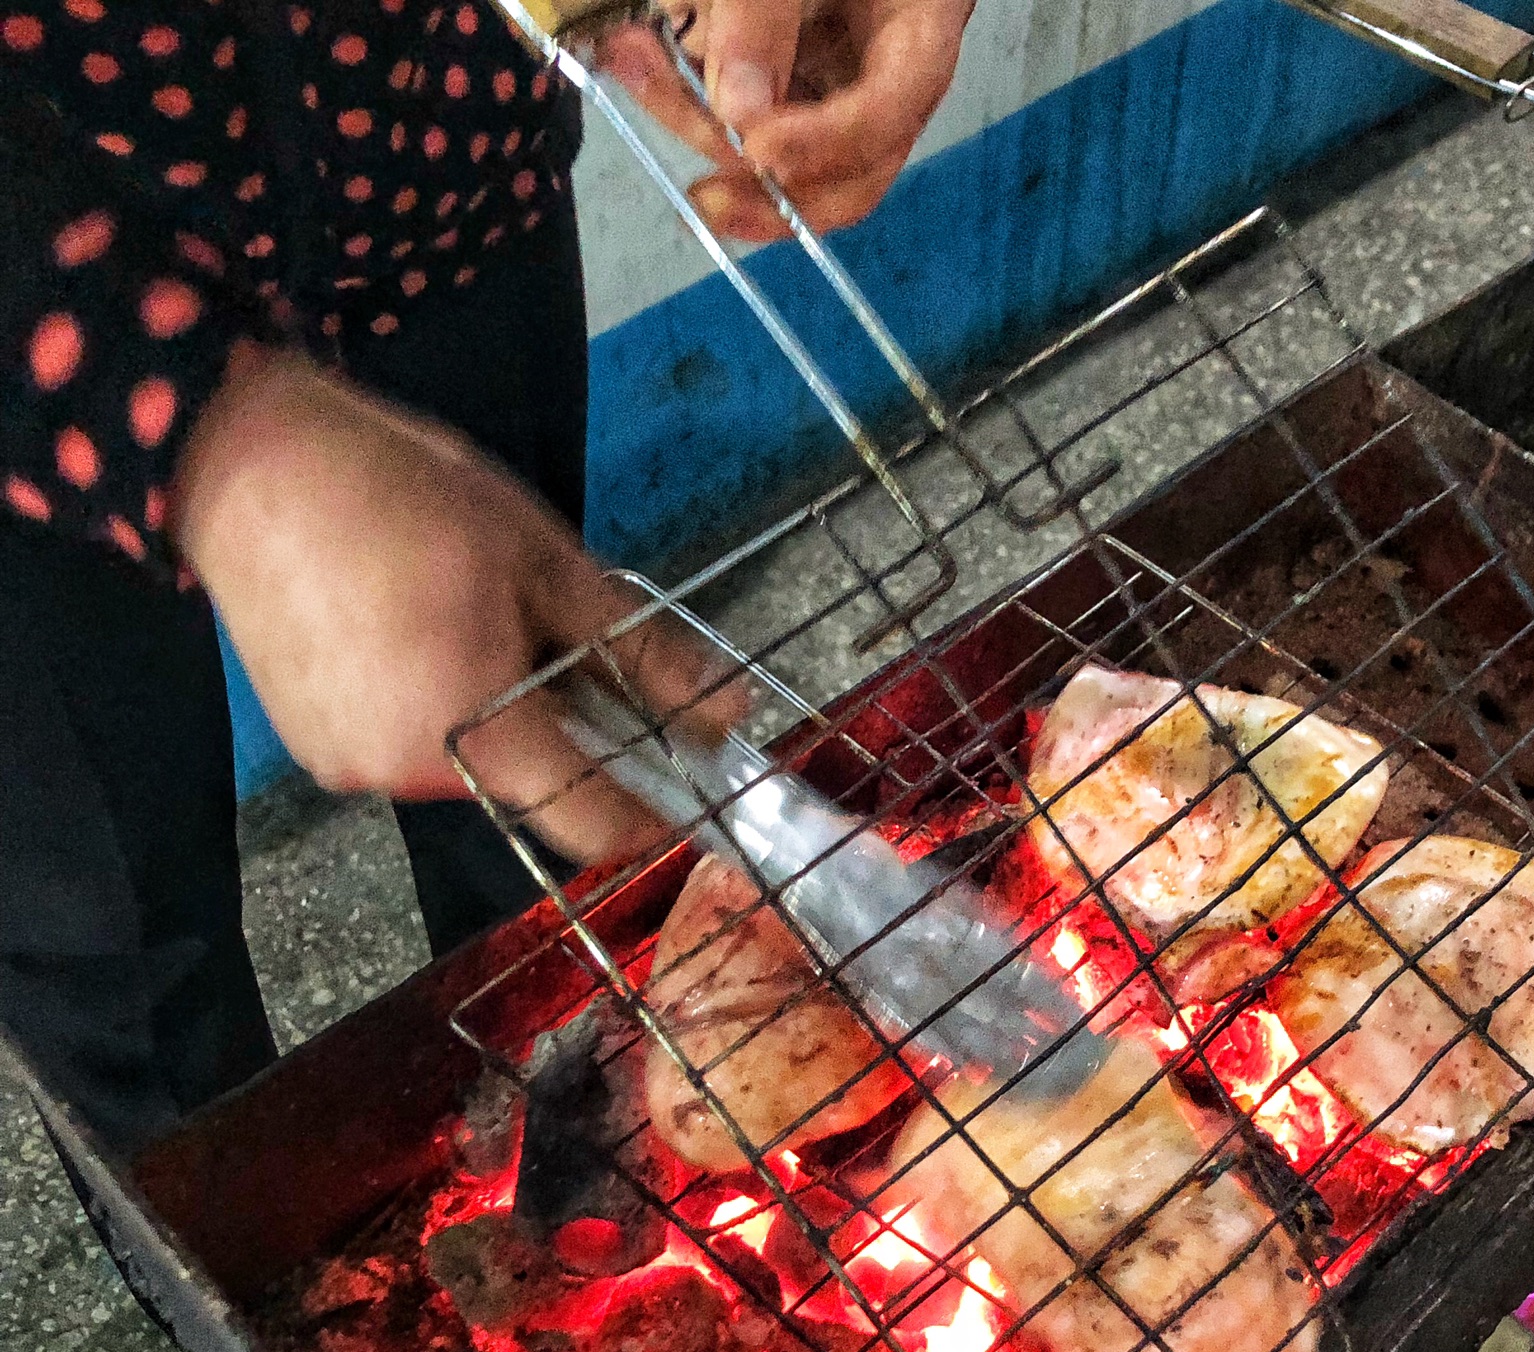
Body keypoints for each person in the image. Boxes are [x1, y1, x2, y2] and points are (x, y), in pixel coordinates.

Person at [0, 0, 976, 1156]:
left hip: (431, 164)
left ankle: (568, 1185)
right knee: (121, 957)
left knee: (535, 800)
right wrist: (205, 432)